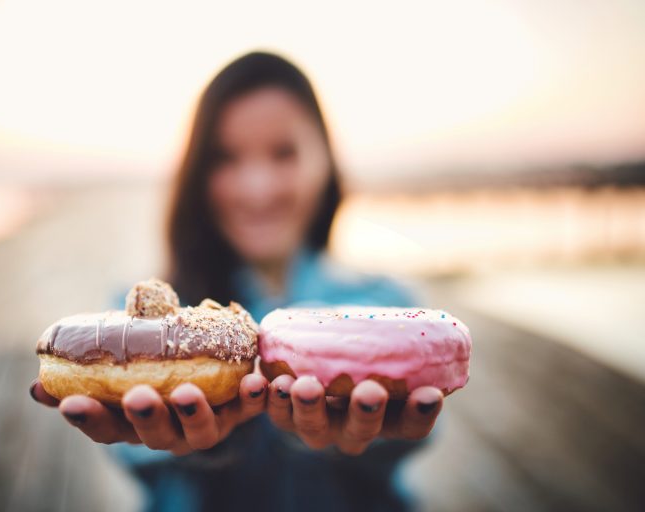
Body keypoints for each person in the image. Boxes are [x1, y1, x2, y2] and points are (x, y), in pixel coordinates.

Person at [30, 51, 444, 512]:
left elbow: (413, 437)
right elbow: (141, 461)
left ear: (325, 160)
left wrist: (357, 438)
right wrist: (207, 449)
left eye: (283, 153)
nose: (257, 189)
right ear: (197, 173)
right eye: (225, 157)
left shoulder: (388, 306)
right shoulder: (133, 325)